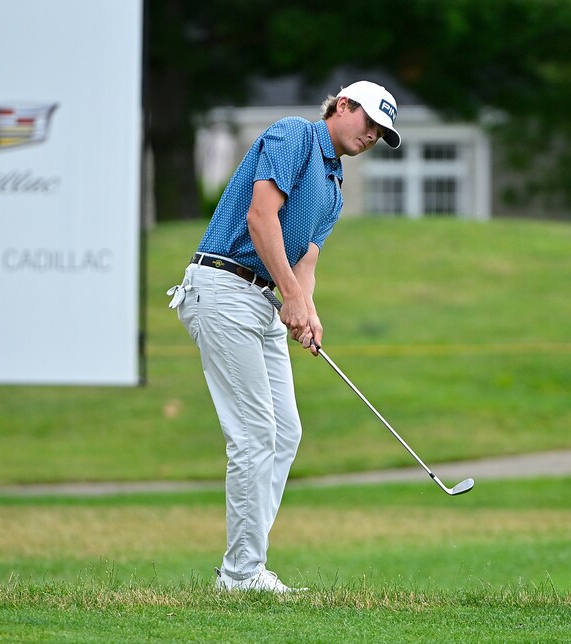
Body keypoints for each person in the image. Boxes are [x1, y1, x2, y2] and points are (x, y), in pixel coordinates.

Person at [167, 81, 401, 592]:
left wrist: (305, 309)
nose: (372, 137)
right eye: (369, 124)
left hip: (264, 299)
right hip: (223, 286)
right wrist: (291, 298)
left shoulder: (335, 186)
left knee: (285, 432)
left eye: (381, 134)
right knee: (254, 435)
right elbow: (260, 216)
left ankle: (246, 563)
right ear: (343, 107)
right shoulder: (295, 135)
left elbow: (306, 258)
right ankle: (243, 573)